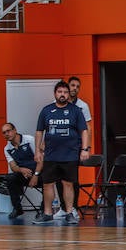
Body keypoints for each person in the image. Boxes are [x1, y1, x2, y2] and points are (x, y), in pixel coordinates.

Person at [35, 80, 89, 225]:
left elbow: (84, 131)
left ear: (68, 94)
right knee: (47, 184)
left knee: (68, 184)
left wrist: (85, 149)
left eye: (65, 92)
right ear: (55, 94)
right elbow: (39, 131)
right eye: (60, 92)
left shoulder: (75, 111)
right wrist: (37, 151)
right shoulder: (46, 110)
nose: (62, 94)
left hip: (70, 154)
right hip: (50, 155)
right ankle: (47, 213)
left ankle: (69, 212)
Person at [1, 122, 39, 220]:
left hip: (39, 173)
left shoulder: (29, 140)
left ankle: (44, 210)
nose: (6, 134)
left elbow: (41, 159)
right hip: (25, 175)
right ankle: (17, 208)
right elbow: (13, 166)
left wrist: (35, 175)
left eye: (8, 131)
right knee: (10, 178)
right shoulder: (7, 148)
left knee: (49, 177)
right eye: (4, 133)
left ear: (15, 130)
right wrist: (21, 169)